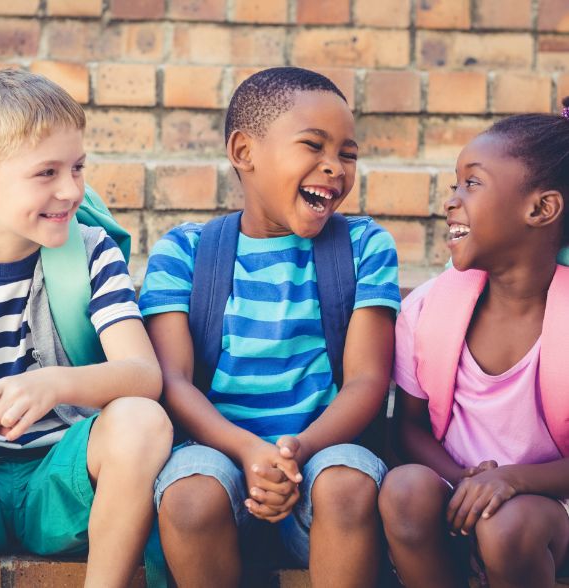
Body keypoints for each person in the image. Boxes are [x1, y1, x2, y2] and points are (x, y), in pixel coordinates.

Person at [139, 66, 401, 587]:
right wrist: (248, 453)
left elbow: (367, 381)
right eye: (313, 146)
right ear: (243, 152)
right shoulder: (184, 253)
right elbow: (173, 380)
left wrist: (294, 452)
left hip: (322, 463)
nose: (334, 168)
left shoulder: (365, 247)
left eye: (347, 154)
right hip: (221, 467)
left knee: (348, 481)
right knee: (188, 495)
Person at [0, 69, 173, 587]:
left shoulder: (90, 250)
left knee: (141, 419)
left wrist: (54, 383)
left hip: (66, 483)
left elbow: (143, 375)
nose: (70, 189)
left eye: (78, 167)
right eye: (46, 173)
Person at [379, 103, 569, 588]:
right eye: (454, 185)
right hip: (456, 493)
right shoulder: (427, 310)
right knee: (403, 489)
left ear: (541, 209)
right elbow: (409, 430)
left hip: (549, 508)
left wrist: (510, 480)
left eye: (472, 183)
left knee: (507, 526)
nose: (451, 201)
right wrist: (466, 480)